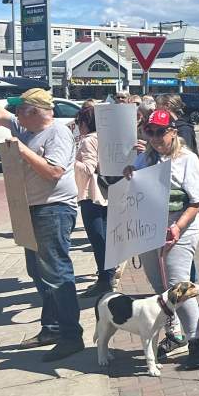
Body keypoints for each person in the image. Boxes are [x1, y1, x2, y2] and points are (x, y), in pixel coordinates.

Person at [0, 68, 84, 361]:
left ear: (34, 112)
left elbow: (53, 172)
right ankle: (51, 327)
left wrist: (21, 151)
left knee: (57, 273)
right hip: (32, 210)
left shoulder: (57, 133)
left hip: (54, 210)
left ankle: (71, 335)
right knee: (38, 272)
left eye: (20, 111)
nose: (15, 117)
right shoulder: (27, 128)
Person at [123, 109, 199, 368]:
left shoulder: (186, 159)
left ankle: (196, 341)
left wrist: (178, 227)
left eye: (162, 131)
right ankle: (176, 334)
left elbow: (196, 201)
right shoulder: (145, 158)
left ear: (173, 131)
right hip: (150, 229)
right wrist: (129, 172)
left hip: (178, 228)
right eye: (151, 132)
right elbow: (133, 184)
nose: (157, 137)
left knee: (179, 288)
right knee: (161, 289)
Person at [73, 105, 115, 297]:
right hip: (108, 193)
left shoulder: (88, 140)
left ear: (84, 123)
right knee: (106, 236)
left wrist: (69, 161)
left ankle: (105, 280)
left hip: (93, 194)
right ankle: (108, 274)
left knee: (98, 238)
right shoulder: (106, 137)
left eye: (78, 123)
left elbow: (88, 168)